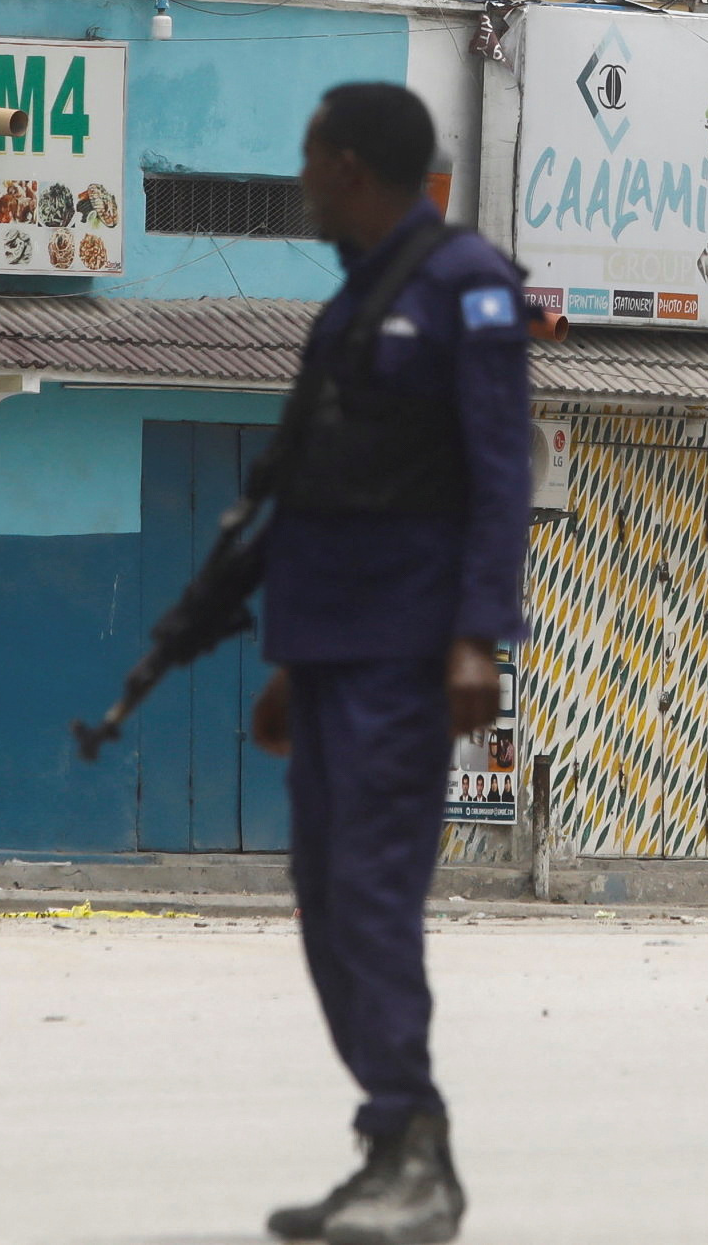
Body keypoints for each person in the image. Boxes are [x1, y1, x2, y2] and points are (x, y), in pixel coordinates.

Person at [251, 82, 531, 1245]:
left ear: (351, 164)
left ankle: (413, 1155)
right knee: (325, 902)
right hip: (331, 646)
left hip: (407, 651)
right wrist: (288, 651)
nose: (303, 177)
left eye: (311, 156)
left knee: (369, 896)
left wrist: (476, 634)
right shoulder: (352, 304)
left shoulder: (466, 286)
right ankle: (394, 1147)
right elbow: (319, 492)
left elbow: (497, 470)